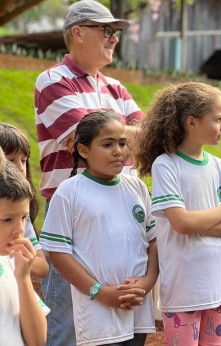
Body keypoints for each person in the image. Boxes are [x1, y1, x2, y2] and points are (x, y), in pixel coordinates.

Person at [34, 1, 144, 344]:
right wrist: (129, 135)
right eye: (106, 30)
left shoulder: (116, 89)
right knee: (66, 318)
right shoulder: (53, 80)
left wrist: (132, 136)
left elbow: (150, 141)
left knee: (122, 310)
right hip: (73, 211)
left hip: (123, 210)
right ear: (77, 32)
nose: (113, 38)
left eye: (116, 32)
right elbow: (80, 137)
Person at [135, 82, 221, 345]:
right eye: (217, 119)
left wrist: (198, 222)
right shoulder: (166, 165)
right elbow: (181, 223)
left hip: (218, 284)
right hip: (184, 287)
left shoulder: (220, 168)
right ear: (191, 122)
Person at [39, 111, 158, 346]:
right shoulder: (69, 191)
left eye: (122, 143)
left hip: (136, 306)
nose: (118, 151)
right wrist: (99, 292)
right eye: (107, 144)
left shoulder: (137, 187)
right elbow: (59, 253)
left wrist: (147, 282)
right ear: (83, 150)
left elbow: (153, 241)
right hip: (96, 312)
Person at [0, 147, 49, 346]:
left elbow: (38, 340)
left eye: (24, 218)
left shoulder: (11, 262)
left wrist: (23, 278)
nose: (19, 230)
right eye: (7, 219)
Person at [0, 124, 49, 286]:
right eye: (10, 160)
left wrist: (17, 256)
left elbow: (42, 267)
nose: (21, 168)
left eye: (24, 160)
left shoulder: (20, 214)